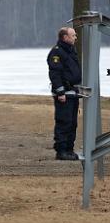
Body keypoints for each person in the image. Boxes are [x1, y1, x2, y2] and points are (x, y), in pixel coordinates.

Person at [47, 27, 81, 160]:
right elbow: (55, 73)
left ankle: (69, 149)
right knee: (64, 122)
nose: (75, 37)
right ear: (65, 37)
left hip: (72, 93)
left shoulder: (70, 51)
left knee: (72, 123)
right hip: (64, 94)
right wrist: (60, 91)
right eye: (73, 35)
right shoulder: (57, 52)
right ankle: (61, 151)